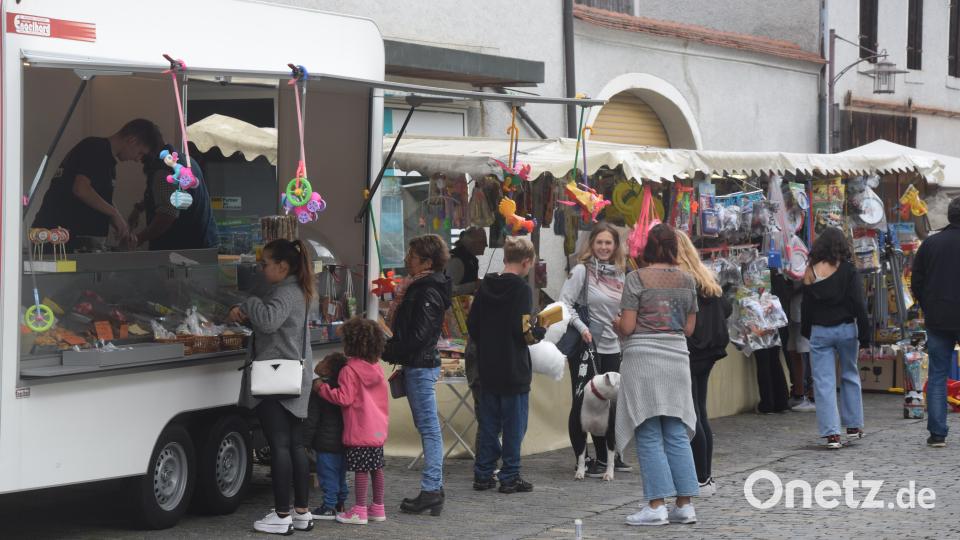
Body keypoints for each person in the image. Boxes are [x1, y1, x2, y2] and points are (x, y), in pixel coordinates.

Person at [613, 224, 699, 526]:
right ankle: (685, 504)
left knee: (648, 430)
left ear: (648, 246)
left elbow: (627, 327)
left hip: (643, 358)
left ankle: (656, 505)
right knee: (675, 429)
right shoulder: (688, 280)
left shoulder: (635, 279)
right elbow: (689, 329)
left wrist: (615, 324)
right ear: (674, 247)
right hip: (677, 358)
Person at [231, 238, 315, 534]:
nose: (261, 269)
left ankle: (281, 516)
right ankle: (301, 512)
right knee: (294, 445)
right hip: (293, 376)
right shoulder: (299, 290)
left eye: (264, 264)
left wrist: (248, 302)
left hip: (276, 376)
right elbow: (277, 329)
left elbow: (267, 321)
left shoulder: (284, 292)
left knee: (279, 445)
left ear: (282, 266)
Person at [382, 234, 452, 515]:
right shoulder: (421, 288)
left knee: (429, 428)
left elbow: (419, 336)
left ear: (426, 261)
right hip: (417, 363)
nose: (406, 260)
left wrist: (389, 349)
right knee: (428, 427)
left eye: (411, 255)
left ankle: (432, 489)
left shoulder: (426, 290)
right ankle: (434, 487)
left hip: (420, 365)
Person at [467, 236, 544, 494]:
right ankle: (509, 475)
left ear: (503, 259)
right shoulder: (521, 290)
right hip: (514, 367)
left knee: (489, 423)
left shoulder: (485, 286)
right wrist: (539, 330)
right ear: (526, 262)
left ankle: (483, 473)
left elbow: (472, 326)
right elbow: (522, 332)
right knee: (514, 425)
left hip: (488, 366)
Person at [558, 222, 629, 476]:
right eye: (599, 242)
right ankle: (581, 458)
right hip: (586, 345)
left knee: (608, 404)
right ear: (591, 244)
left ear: (615, 245)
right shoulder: (581, 271)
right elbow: (564, 304)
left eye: (608, 242)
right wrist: (580, 327)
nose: (604, 247)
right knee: (582, 403)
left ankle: (607, 456)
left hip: (613, 345)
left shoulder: (622, 272)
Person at [33, 119, 163, 251]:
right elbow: (81, 189)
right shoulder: (95, 148)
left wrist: (121, 226)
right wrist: (114, 214)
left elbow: (99, 197)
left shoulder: (109, 163)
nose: (137, 159)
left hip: (78, 244)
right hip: (57, 240)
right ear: (132, 140)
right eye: (140, 153)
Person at [801, 227, 870, 450]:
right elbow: (859, 304)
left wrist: (806, 331)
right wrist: (866, 334)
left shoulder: (810, 271)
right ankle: (853, 425)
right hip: (846, 330)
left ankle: (832, 434)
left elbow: (806, 306)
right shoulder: (849, 271)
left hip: (820, 331)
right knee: (850, 374)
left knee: (823, 382)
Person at [317, 317, 390, 525]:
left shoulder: (349, 370)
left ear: (350, 343)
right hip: (377, 428)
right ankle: (378, 507)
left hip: (360, 428)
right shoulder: (375, 367)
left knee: (361, 470)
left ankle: (359, 510)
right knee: (377, 468)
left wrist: (323, 389)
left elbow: (344, 398)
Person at [675, 230, 730, 498]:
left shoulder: (682, 279)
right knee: (701, 412)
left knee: (693, 414)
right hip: (709, 351)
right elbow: (726, 306)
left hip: (691, 349)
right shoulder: (704, 274)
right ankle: (706, 477)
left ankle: (700, 477)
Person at [910, 196, 960, 448]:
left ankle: (938, 434)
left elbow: (915, 281)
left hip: (938, 315)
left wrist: (927, 305)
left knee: (938, 374)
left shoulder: (931, 244)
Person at [129, 143, 219, 250]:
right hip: (206, 243)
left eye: (139, 156)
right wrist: (139, 207)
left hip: (185, 250)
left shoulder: (162, 170)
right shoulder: (185, 160)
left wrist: (137, 239)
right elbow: (167, 194)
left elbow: (167, 214)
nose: (136, 159)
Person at [446, 226, 487, 452]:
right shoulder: (458, 261)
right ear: (469, 241)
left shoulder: (468, 258)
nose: (486, 246)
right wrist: (474, 286)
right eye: (482, 241)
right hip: (457, 320)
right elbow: (450, 289)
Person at [305, 353, 349, 520]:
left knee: (328, 475)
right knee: (341, 475)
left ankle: (329, 506)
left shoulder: (319, 390)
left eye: (323, 360)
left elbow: (312, 419)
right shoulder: (344, 388)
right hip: (344, 441)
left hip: (325, 443)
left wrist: (305, 441)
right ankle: (341, 503)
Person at [787, 283, 816, 412]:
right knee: (794, 350)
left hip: (803, 309)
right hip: (792, 309)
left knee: (806, 351)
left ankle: (812, 395)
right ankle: (799, 394)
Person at [446, 227, 487, 296]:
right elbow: (450, 290)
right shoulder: (457, 260)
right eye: (483, 242)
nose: (486, 245)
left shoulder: (471, 259)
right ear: (473, 242)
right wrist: (475, 285)